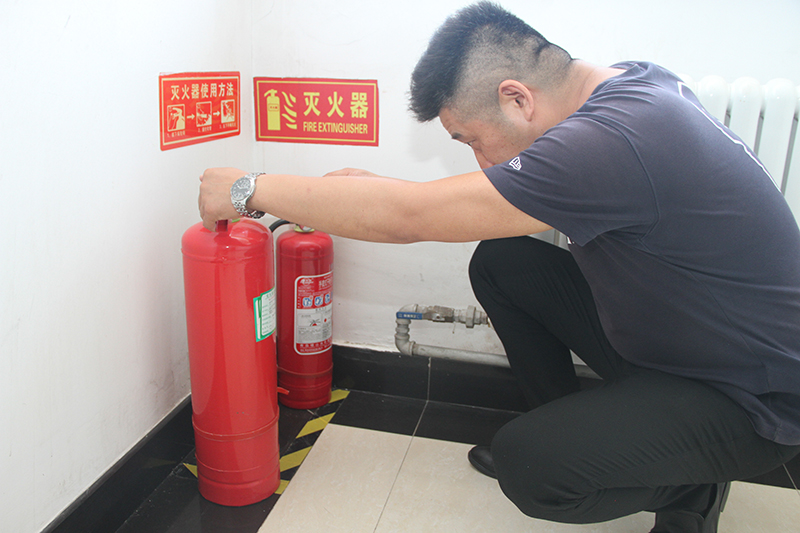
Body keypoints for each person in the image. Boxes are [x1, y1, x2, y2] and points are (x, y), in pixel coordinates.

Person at [198, 3, 800, 532]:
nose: (480, 160)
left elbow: (410, 218)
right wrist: (384, 190)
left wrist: (249, 188)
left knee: (530, 468)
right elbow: (464, 204)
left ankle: (691, 487)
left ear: (517, 98)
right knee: (505, 262)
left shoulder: (612, 141)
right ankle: (575, 426)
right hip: (680, 338)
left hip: (752, 396)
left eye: (470, 139)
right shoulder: (630, 85)